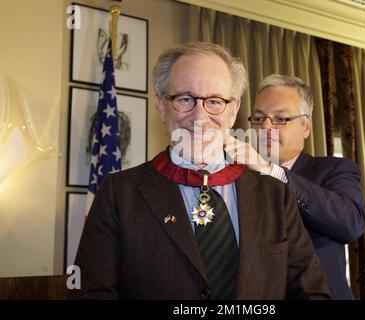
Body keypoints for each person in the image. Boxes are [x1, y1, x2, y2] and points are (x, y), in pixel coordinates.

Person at [69, 43, 330, 300]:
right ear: (161, 105)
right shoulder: (118, 194)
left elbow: (311, 293)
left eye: (215, 101)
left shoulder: (275, 195)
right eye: (185, 99)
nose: (199, 117)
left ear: (234, 109)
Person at [227, 74, 365, 299]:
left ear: (306, 127)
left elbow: (351, 223)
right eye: (259, 118)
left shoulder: (335, 169)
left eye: (280, 119)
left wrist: (271, 171)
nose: (266, 127)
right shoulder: (237, 179)